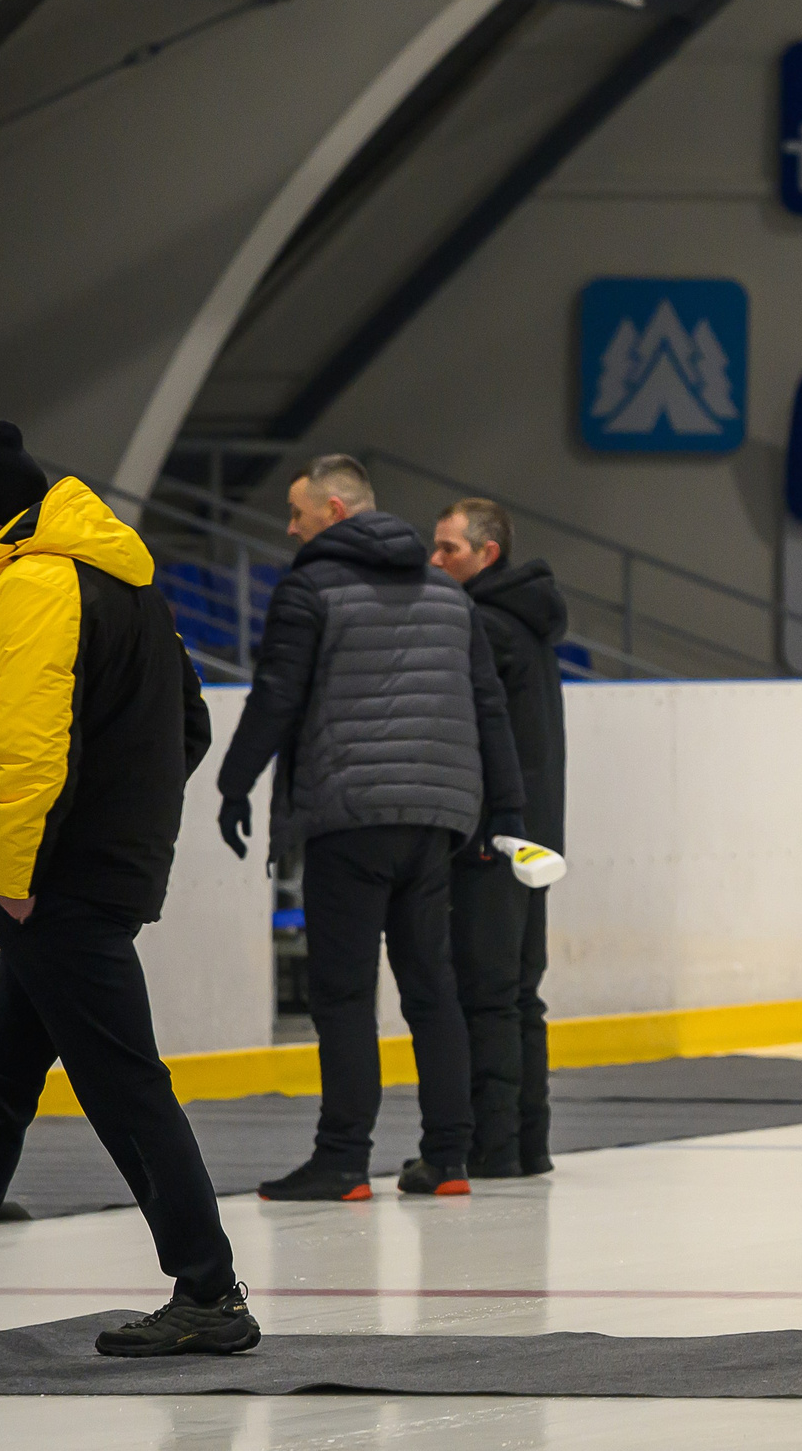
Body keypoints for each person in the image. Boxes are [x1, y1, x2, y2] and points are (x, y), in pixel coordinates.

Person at [0, 423, 259, 1357]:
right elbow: (191, 722)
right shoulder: (126, 577)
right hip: (102, 866)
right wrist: (131, 819)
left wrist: (16, 875)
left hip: (57, 881)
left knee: (123, 1082)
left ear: (3, 518)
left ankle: (209, 1290)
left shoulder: (39, 583)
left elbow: (28, 746)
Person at [217, 455, 525, 1202]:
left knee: (345, 993)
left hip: (348, 815)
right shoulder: (449, 596)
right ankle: (448, 1156)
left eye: (298, 512)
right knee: (430, 986)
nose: (289, 527)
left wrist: (234, 781)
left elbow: (276, 695)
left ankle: (343, 1158)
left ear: (335, 510)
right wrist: (507, 810)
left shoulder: (310, 588)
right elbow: (489, 705)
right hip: (435, 819)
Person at [430, 496, 568, 1179]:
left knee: (486, 991)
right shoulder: (531, 622)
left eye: (448, 549)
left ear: (487, 554)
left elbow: (479, 737)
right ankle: (525, 1142)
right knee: (518, 990)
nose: (435, 561)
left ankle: (493, 1146)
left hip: (493, 832)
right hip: (535, 832)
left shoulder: (483, 625)